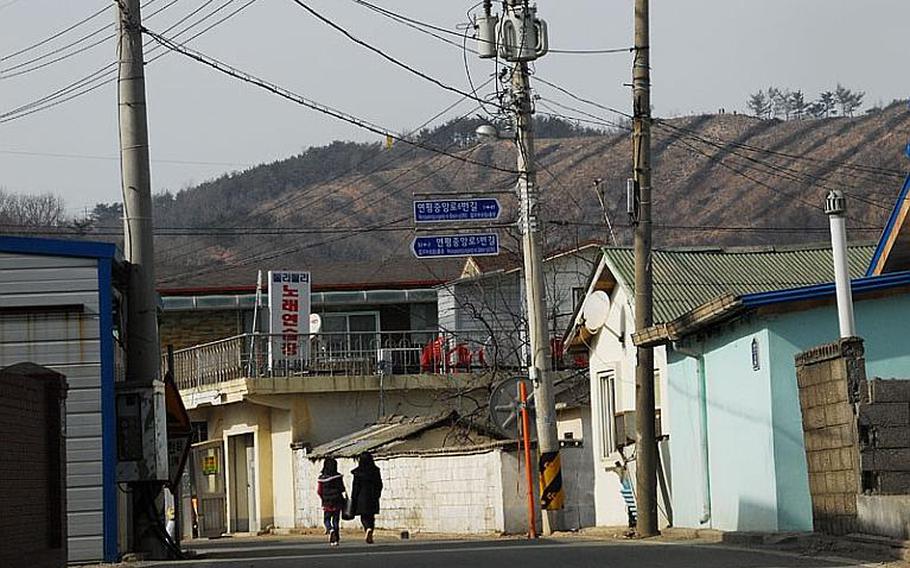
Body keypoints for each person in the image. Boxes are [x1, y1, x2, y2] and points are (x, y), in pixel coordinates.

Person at [350, 451, 383, 544]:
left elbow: (355, 487)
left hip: (361, 498)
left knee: (364, 517)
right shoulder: (375, 471)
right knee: (371, 516)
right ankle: (370, 529)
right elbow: (379, 484)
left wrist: (354, 498)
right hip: (372, 496)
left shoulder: (358, 473)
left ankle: (367, 528)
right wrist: (377, 495)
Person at [317, 457, 346, 546]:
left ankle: (330, 529)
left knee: (326, 519)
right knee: (336, 521)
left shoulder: (322, 478)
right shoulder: (338, 477)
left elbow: (319, 491)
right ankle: (336, 539)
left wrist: (323, 498)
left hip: (327, 502)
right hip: (337, 501)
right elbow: (342, 489)